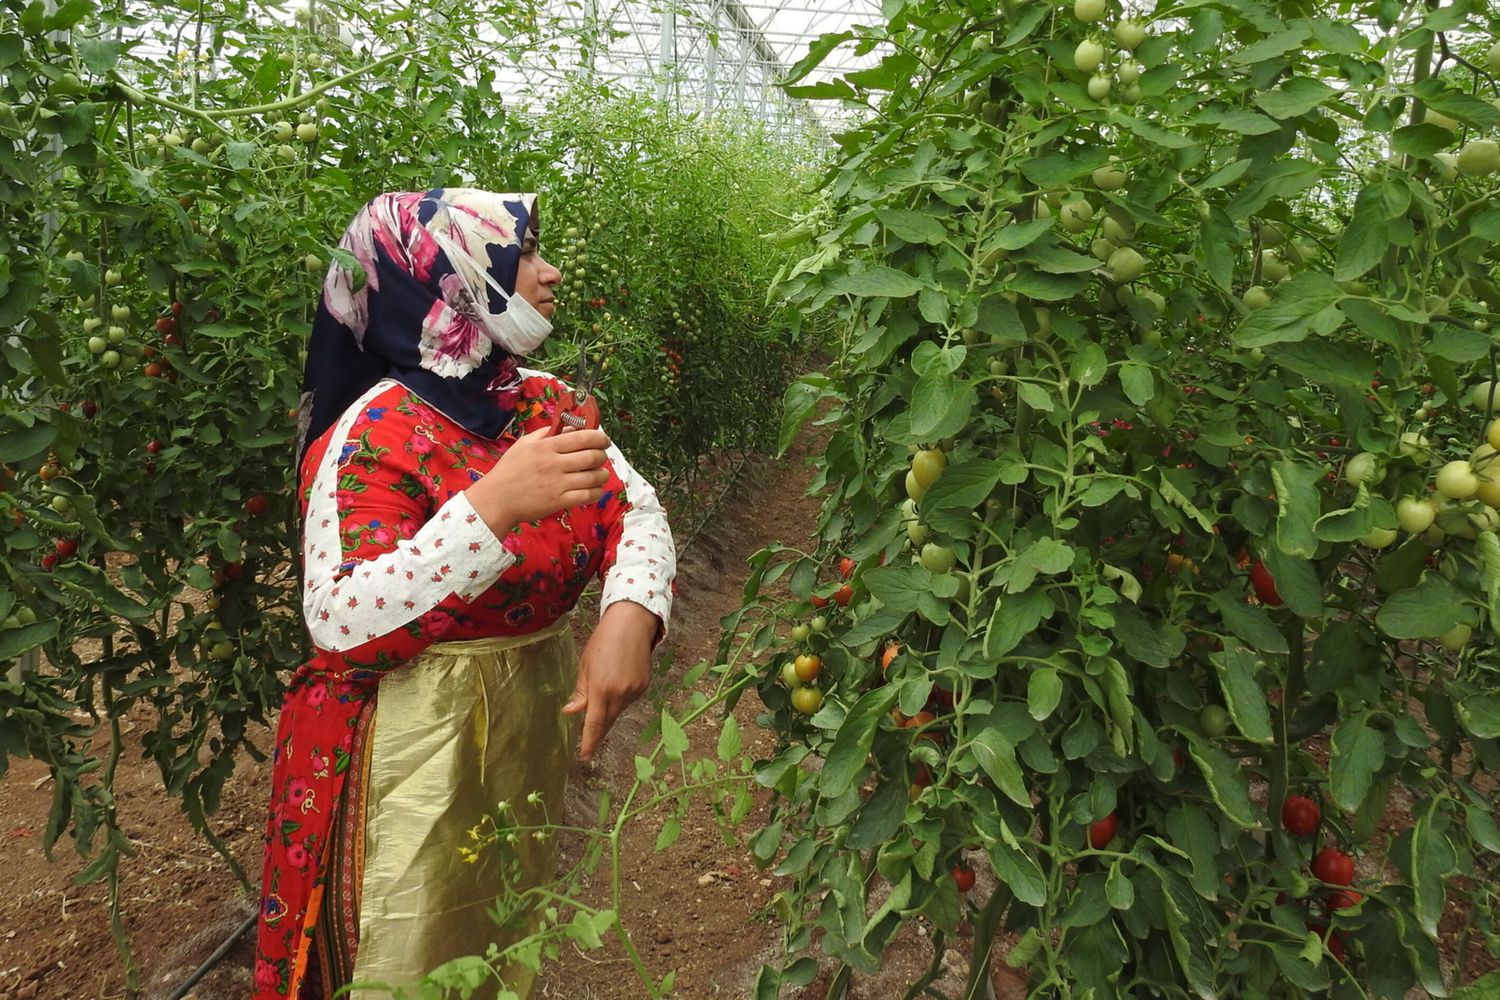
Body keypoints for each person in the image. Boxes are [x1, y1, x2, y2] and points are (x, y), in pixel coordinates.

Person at [251, 189, 675, 1000]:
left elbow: (637, 506)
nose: (551, 276)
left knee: (497, 940)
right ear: (451, 283)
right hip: (408, 752)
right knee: (404, 956)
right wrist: (491, 508)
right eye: (525, 259)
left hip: (518, 731)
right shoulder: (374, 434)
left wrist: (631, 612)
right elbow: (340, 619)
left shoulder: (538, 402)